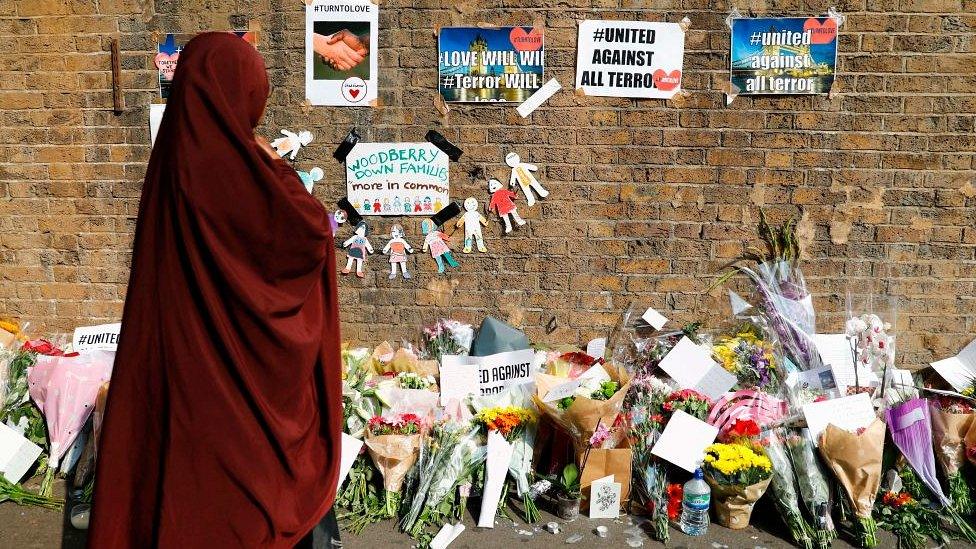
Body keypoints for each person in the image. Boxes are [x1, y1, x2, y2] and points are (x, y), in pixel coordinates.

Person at [89, 33, 342, 549]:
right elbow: (310, 232)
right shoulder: (247, 169)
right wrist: (276, 169)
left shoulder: (172, 160)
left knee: (182, 476)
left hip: (181, 362)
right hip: (239, 387)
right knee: (241, 497)